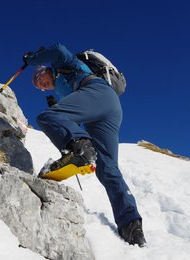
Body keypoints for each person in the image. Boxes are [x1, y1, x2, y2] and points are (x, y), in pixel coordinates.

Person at [23, 43, 146, 247]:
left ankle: (81, 150)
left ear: (44, 70)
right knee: (108, 169)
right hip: (108, 109)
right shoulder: (63, 89)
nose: (42, 85)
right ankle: (131, 226)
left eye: (39, 80)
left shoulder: (63, 64)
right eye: (39, 87)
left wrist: (31, 60)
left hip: (98, 92)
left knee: (46, 117)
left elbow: (58, 49)